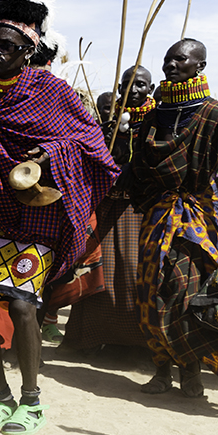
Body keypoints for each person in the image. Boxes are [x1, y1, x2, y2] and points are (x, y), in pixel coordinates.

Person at [0, 0, 119, 434]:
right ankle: (1, 397)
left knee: (21, 304)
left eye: (6, 47)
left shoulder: (52, 90)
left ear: (28, 50)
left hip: (41, 214)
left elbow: (92, 144)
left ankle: (31, 402)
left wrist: (51, 153)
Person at [123, 39, 218, 398]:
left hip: (197, 218)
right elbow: (138, 168)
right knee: (151, 292)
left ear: (200, 66)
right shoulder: (153, 117)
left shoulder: (214, 115)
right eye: (168, 59)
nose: (171, 65)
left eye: (180, 59)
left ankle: (190, 370)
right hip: (158, 216)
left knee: (187, 293)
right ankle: (161, 369)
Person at [62, 66, 155, 351]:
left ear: (150, 90)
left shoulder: (156, 121)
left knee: (133, 272)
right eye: (127, 84)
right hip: (105, 205)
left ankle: (134, 345)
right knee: (97, 270)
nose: (133, 90)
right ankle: (93, 337)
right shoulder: (107, 124)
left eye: (140, 85)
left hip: (139, 208)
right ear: (119, 88)